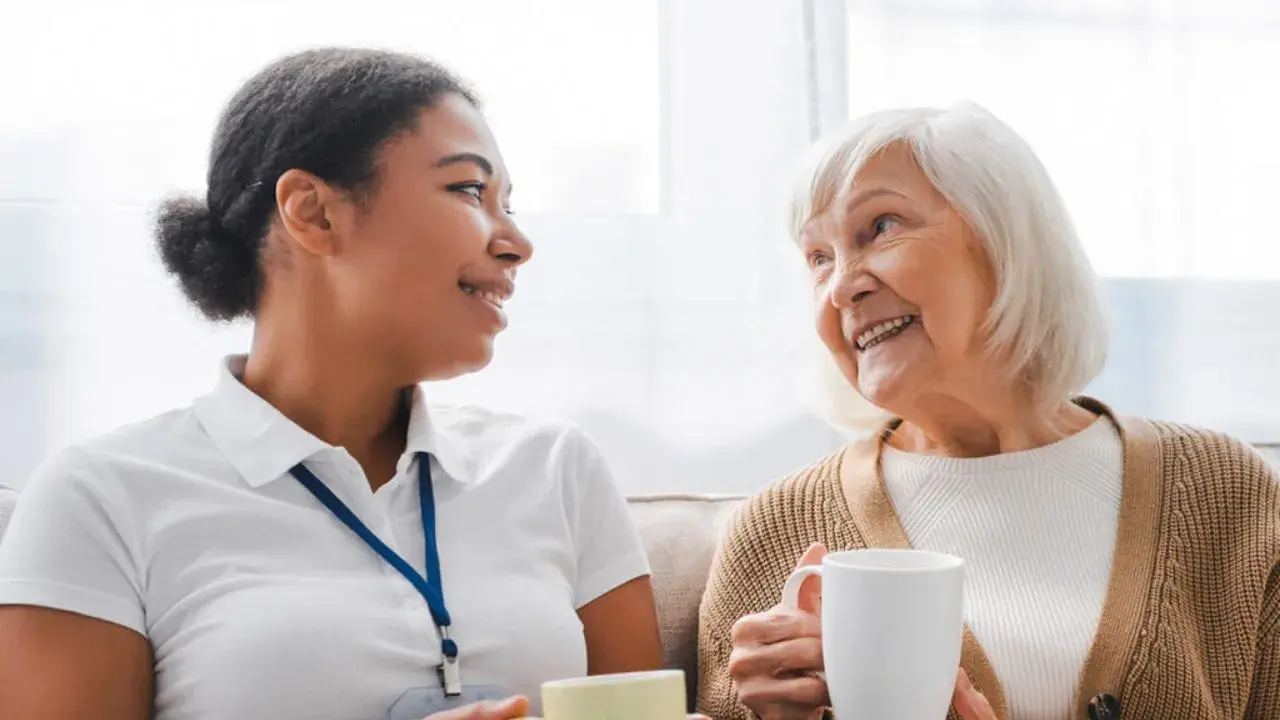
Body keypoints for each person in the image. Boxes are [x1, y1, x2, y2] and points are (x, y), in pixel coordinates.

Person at [0, 48, 665, 720]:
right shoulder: (102, 499)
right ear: (312, 213)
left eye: (508, 205)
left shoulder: (555, 470)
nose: (517, 242)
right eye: (469, 190)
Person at [696, 104, 1280, 720]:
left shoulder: (1225, 492)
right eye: (818, 258)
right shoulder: (774, 534)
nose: (841, 286)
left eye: (881, 226)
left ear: (1002, 238)